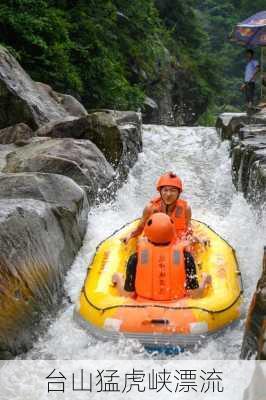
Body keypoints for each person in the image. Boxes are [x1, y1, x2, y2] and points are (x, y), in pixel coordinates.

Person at [112, 213, 211, 300]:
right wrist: (204, 280)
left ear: (147, 232)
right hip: (177, 305)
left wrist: (118, 279)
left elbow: (128, 295)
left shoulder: (135, 258)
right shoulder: (186, 257)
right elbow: (194, 294)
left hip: (143, 303)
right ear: (172, 231)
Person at [121, 172, 194, 245]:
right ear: (160, 191)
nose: (168, 194)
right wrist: (129, 236)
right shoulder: (150, 208)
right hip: (153, 243)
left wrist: (191, 236)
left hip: (176, 244)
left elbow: (189, 229)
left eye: (173, 190)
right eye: (165, 190)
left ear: (178, 193)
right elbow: (140, 229)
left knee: (188, 252)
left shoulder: (186, 209)